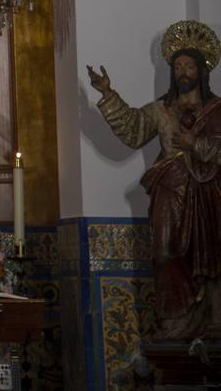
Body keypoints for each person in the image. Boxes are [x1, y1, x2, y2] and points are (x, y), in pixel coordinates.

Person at [88, 20, 221, 341]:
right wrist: (108, 94)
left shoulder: (218, 110)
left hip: (209, 195)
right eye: (178, 67)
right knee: (164, 253)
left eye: (189, 66)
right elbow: (133, 130)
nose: (183, 72)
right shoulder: (161, 109)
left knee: (211, 258)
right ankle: (174, 322)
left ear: (202, 72)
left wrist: (197, 146)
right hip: (169, 190)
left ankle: (211, 322)